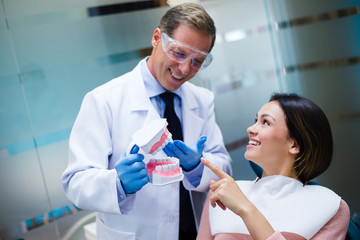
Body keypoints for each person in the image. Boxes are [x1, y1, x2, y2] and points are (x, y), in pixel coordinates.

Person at [61, 3, 232, 240]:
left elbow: (224, 167)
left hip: (193, 232)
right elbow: (75, 182)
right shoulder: (103, 101)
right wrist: (117, 183)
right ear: (156, 38)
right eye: (179, 53)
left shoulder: (202, 100)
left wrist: (198, 167)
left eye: (197, 61)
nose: (185, 69)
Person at [197, 93, 350, 240]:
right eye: (256, 120)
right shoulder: (221, 193)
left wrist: (246, 209)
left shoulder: (330, 206)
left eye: (265, 122)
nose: (250, 128)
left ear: (294, 144)